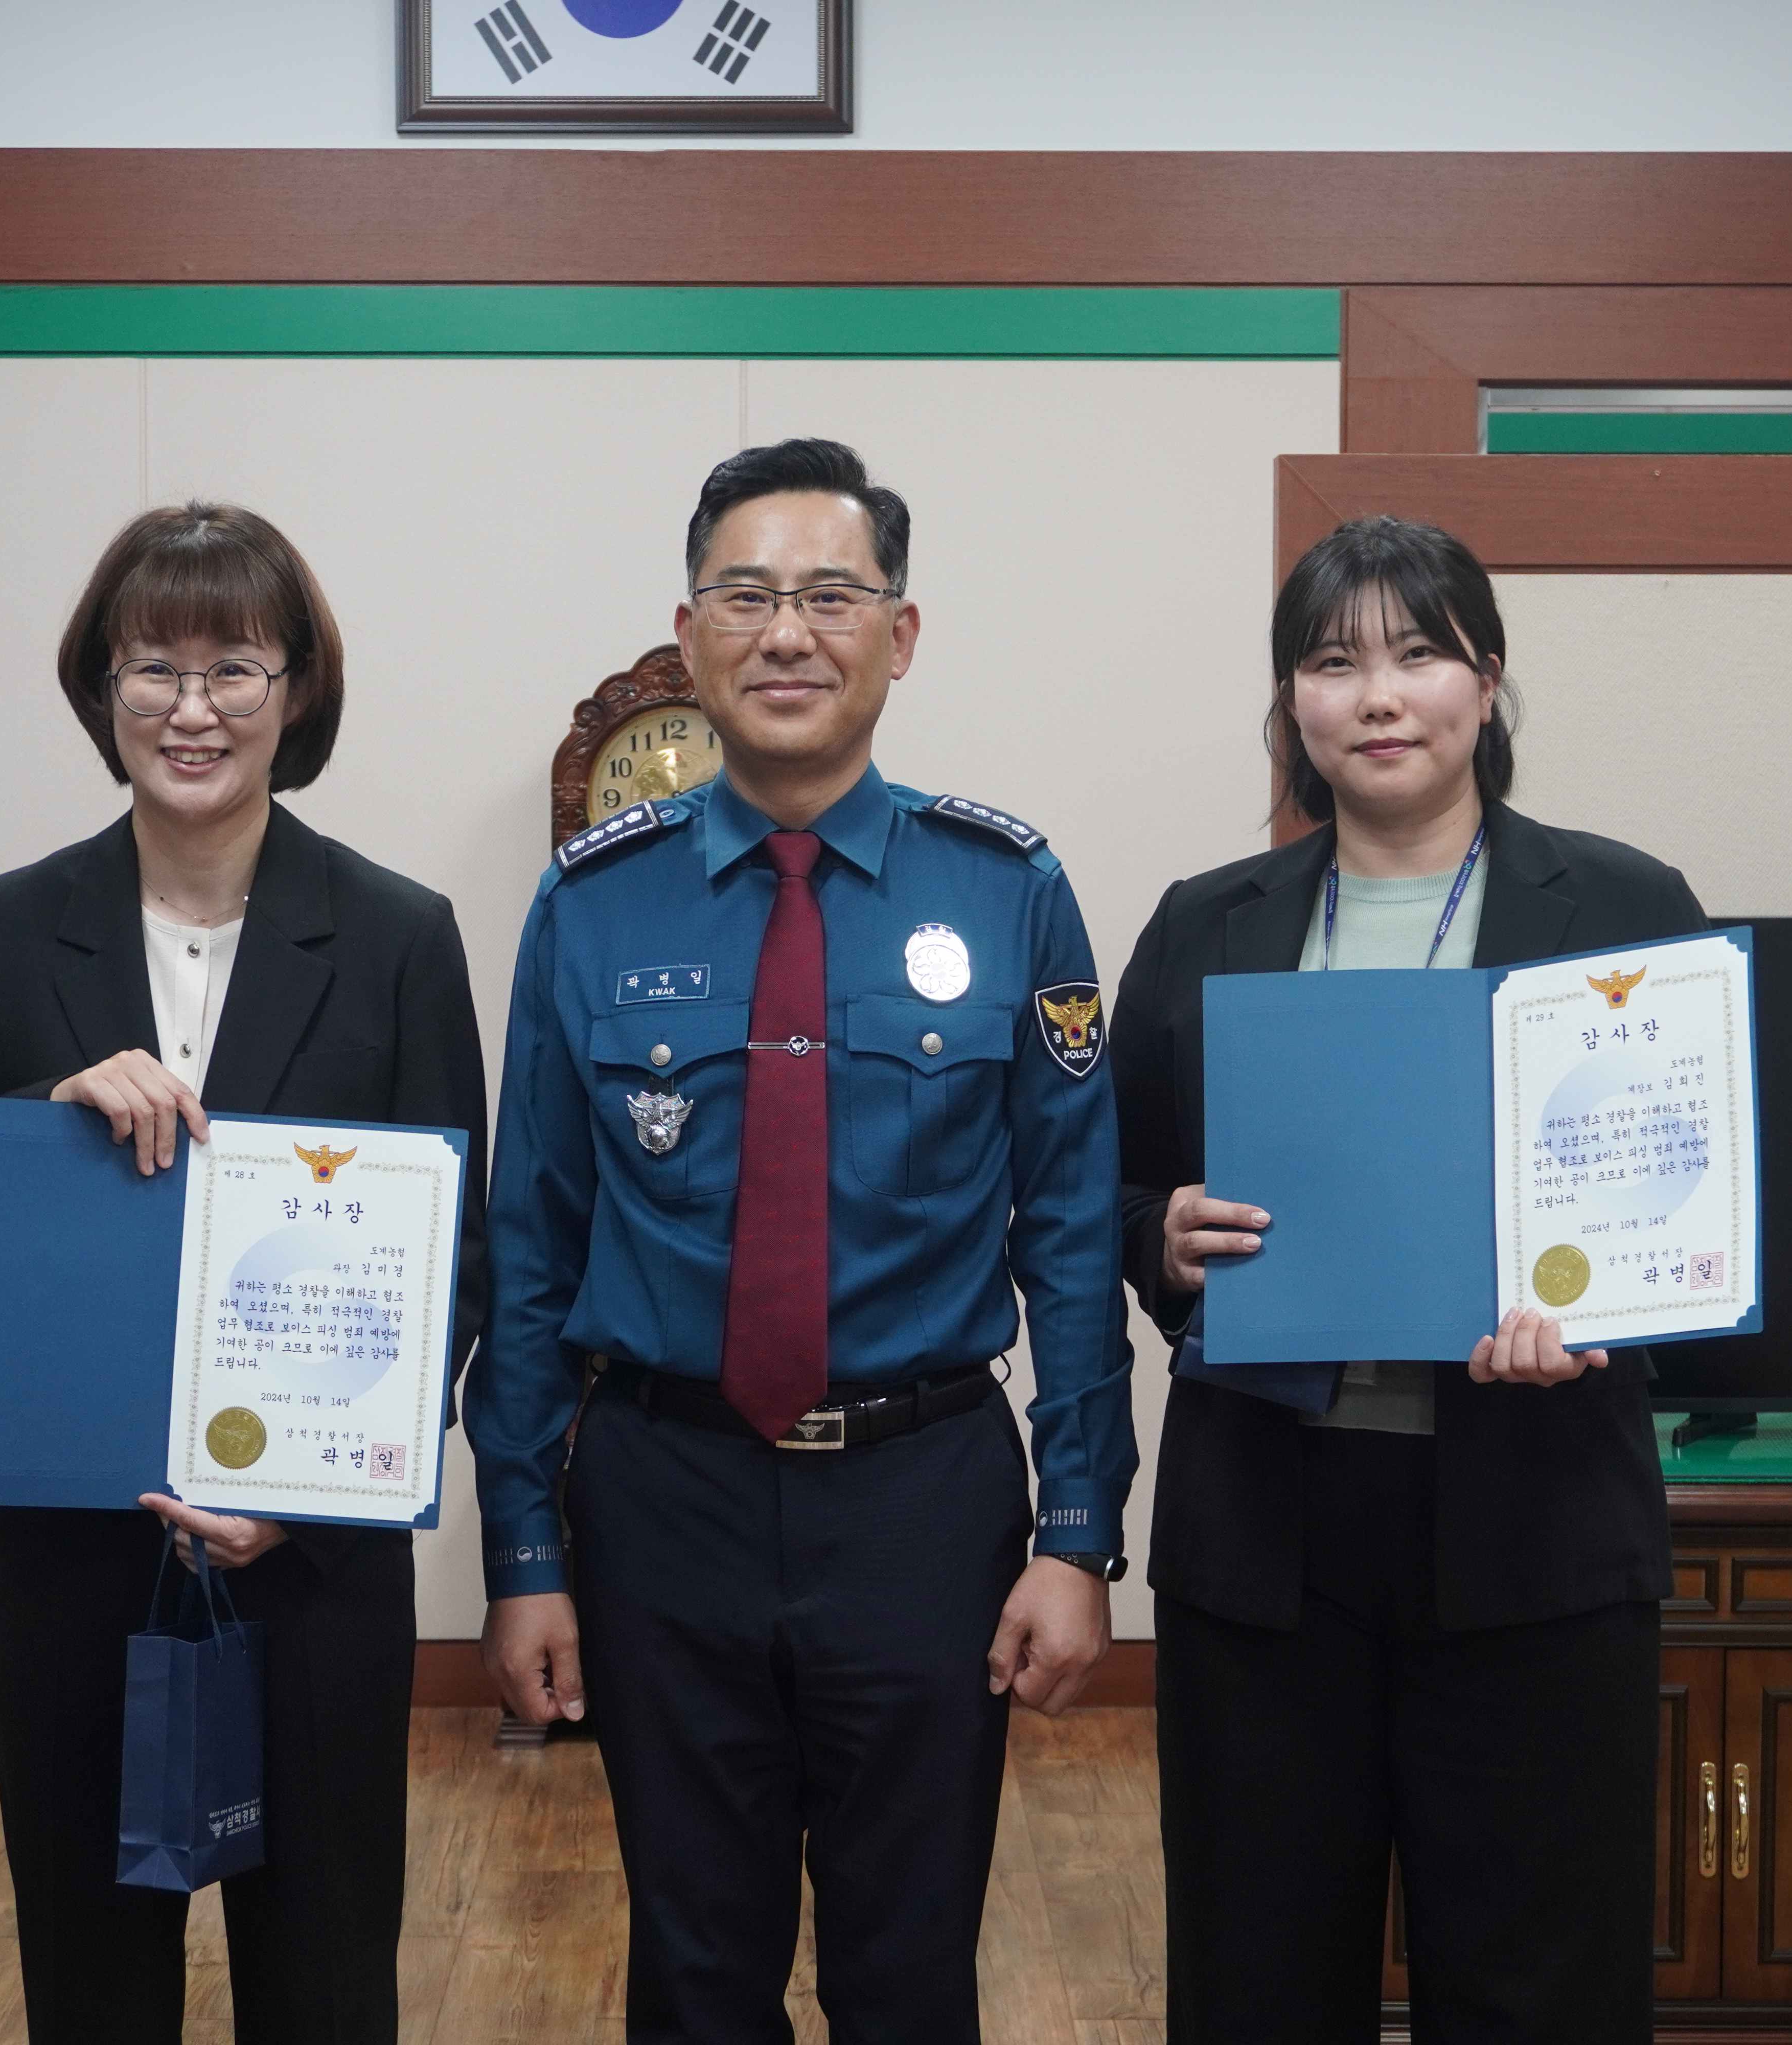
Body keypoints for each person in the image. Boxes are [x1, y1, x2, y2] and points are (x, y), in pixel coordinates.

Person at [468, 438, 1136, 2044]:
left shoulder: (1010, 890)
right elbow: (533, 1247)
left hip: (922, 1500)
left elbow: (1073, 1232)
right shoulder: (591, 902)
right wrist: (525, 1554)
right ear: (689, 635)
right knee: (696, 1975)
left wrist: (1080, 1532)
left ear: (899, 636)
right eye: (747, 595)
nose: (789, 633)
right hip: (662, 1490)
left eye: (833, 594)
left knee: (909, 1976)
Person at [0, 502, 489, 2044]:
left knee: (325, 1988)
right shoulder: (1, 933)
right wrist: (33, 1126)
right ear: (100, 691)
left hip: (311, 1566)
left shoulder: (396, 937)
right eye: (152, 670)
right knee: (92, 1991)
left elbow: (456, 1259)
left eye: (235, 667)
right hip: (72, 1564)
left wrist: (307, 1503)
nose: (193, 709)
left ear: (297, 690)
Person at [1112, 514, 1708, 2043]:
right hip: (1271, 1538)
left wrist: (1602, 1315)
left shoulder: (1626, 910)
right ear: (1291, 707)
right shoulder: (1205, 925)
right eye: (1333, 662)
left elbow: (1689, 1201)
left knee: (1535, 1986)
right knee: (1259, 1974)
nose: (1379, 695)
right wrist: (1162, 1239)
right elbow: (1110, 1193)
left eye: (1419, 652)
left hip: (1536, 1531)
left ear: (1488, 685)